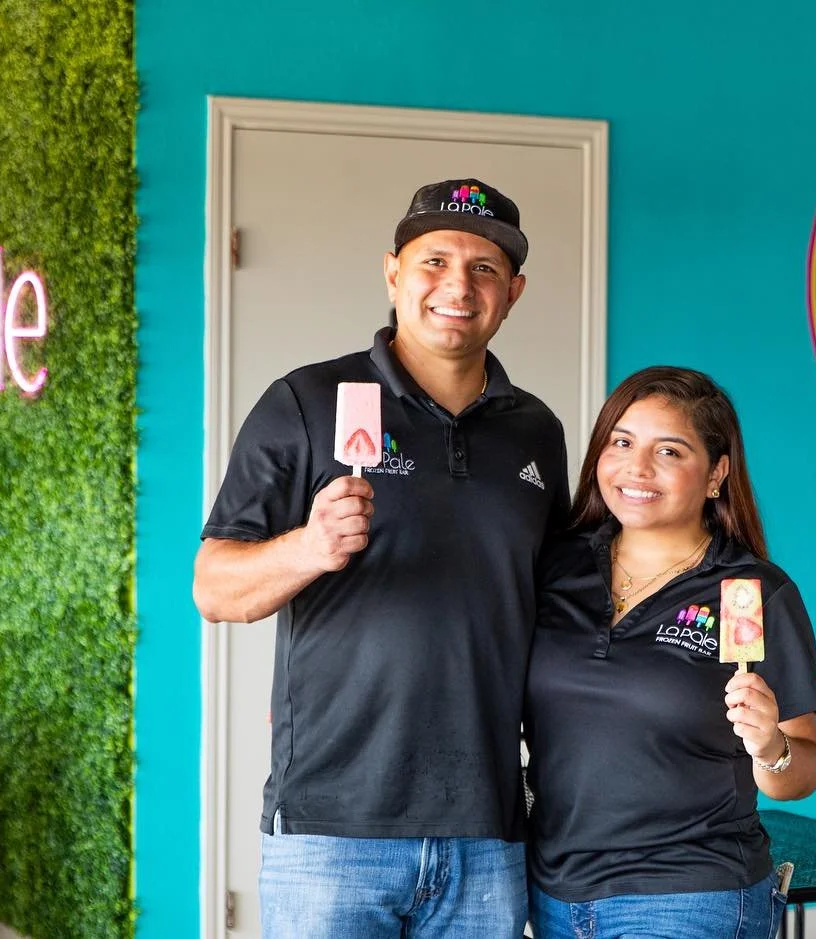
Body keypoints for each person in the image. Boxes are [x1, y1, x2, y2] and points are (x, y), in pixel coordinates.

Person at [193, 178, 570, 937]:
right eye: (434, 261)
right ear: (393, 272)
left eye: (485, 268)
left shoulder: (538, 432)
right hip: (333, 830)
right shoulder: (306, 401)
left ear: (514, 291)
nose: (457, 285)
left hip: (487, 832)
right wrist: (309, 546)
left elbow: (556, 609)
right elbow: (213, 587)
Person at [524, 366, 816, 939]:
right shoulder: (554, 567)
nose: (637, 469)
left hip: (689, 894)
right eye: (621, 442)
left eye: (669, 451)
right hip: (553, 893)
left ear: (716, 474)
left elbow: (804, 769)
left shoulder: (754, 591)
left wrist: (769, 745)